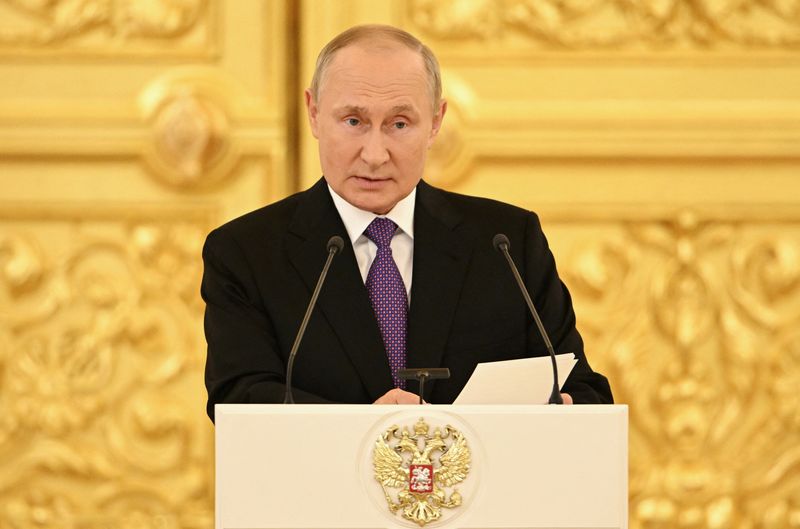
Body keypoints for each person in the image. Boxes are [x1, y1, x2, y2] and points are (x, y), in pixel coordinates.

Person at [201, 24, 612, 420]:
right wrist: (370, 428)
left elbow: (585, 392)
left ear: (435, 122)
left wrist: (558, 411)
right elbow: (239, 400)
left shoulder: (505, 243)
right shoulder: (246, 252)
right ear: (313, 113)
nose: (375, 154)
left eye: (399, 124)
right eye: (353, 122)